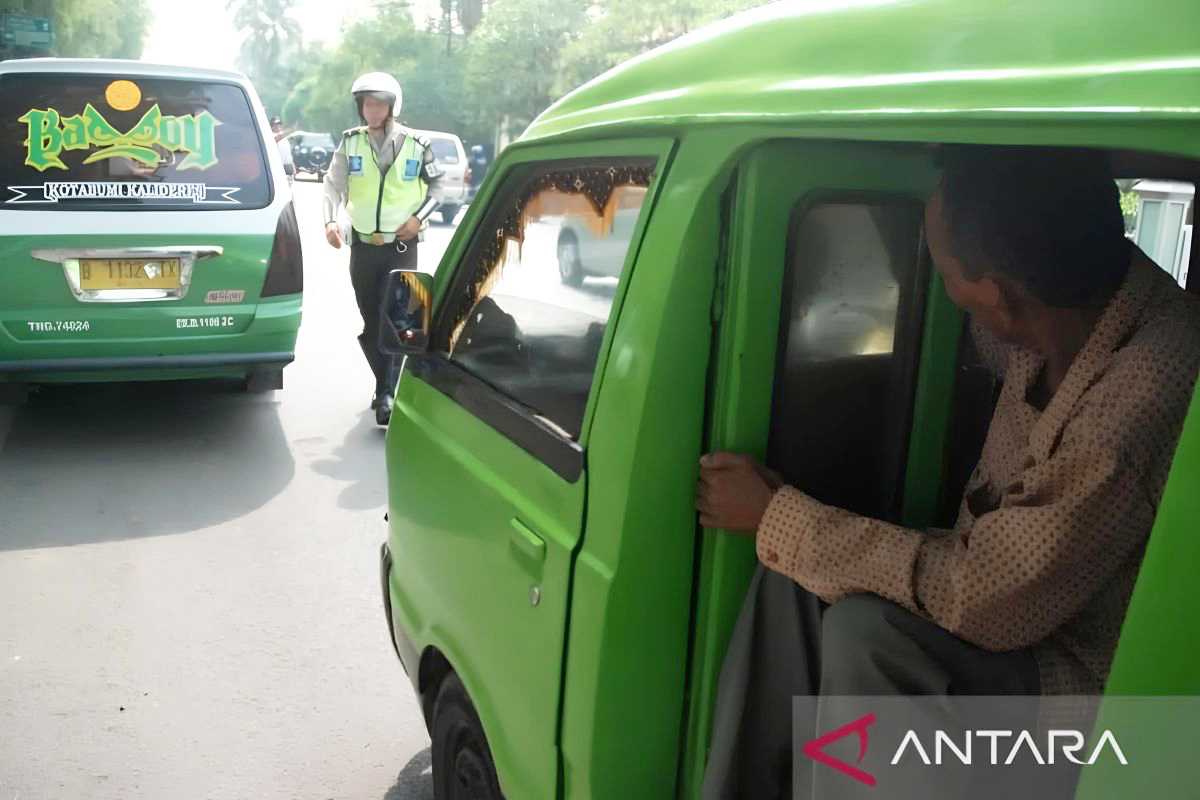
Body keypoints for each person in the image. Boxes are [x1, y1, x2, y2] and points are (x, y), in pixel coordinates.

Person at [696, 147, 1200, 799]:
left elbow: (985, 603)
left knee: (867, 637)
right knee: (791, 581)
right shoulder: (1068, 303)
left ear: (998, 298)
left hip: (1086, 694)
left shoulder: (1141, 395)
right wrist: (788, 532)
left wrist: (775, 514)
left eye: (942, 269)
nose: (941, 288)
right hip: (1015, 609)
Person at [322, 72, 442, 425]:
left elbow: (439, 187)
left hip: (403, 245)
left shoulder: (419, 145)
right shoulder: (350, 143)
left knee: (403, 319)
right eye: (366, 104)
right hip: (363, 246)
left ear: (392, 105)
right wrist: (330, 222)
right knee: (371, 318)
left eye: (378, 103)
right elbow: (332, 185)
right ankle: (387, 384)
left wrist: (418, 219)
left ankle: (385, 392)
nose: (372, 110)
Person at [270, 116, 295, 185]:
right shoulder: (270, 136)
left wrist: (293, 166)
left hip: (288, 166)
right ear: (272, 126)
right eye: (276, 124)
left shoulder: (284, 138)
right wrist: (291, 130)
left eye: (279, 124)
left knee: (289, 187)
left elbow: (288, 153)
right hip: (278, 167)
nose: (278, 126)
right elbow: (277, 138)